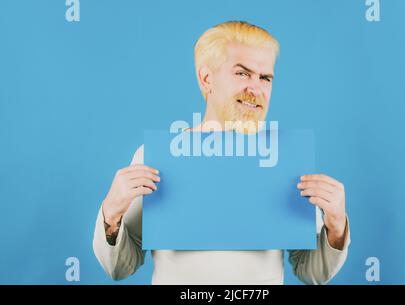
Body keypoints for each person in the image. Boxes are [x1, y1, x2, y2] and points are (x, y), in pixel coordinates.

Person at [93, 21, 350, 285]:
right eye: (242, 73)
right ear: (207, 79)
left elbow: (312, 272)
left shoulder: (285, 159)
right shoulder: (158, 157)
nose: (256, 89)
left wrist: (336, 226)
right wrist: (111, 215)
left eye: (265, 78)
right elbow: (122, 267)